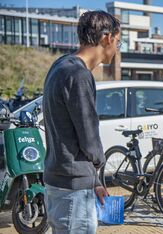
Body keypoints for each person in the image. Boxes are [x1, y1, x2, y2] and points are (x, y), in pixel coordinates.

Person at [43, 11, 121, 233]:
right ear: (106, 38)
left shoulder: (60, 66)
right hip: (74, 190)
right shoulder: (79, 74)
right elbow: (88, 134)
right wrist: (98, 162)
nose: (116, 49)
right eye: (118, 41)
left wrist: (94, 180)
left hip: (58, 178)